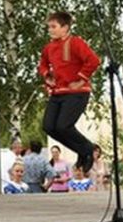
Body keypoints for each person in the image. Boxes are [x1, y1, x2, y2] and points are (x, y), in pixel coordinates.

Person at [38, 11, 100, 173]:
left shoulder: (76, 43)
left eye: (53, 26)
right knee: (49, 126)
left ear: (65, 27)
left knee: (63, 126)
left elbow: (93, 61)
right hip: (57, 92)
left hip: (76, 92)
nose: (50, 30)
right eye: (49, 27)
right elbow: (42, 64)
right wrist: (47, 75)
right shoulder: (49, 47)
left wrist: (81, 78)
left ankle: (87, 149)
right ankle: (84, 150)